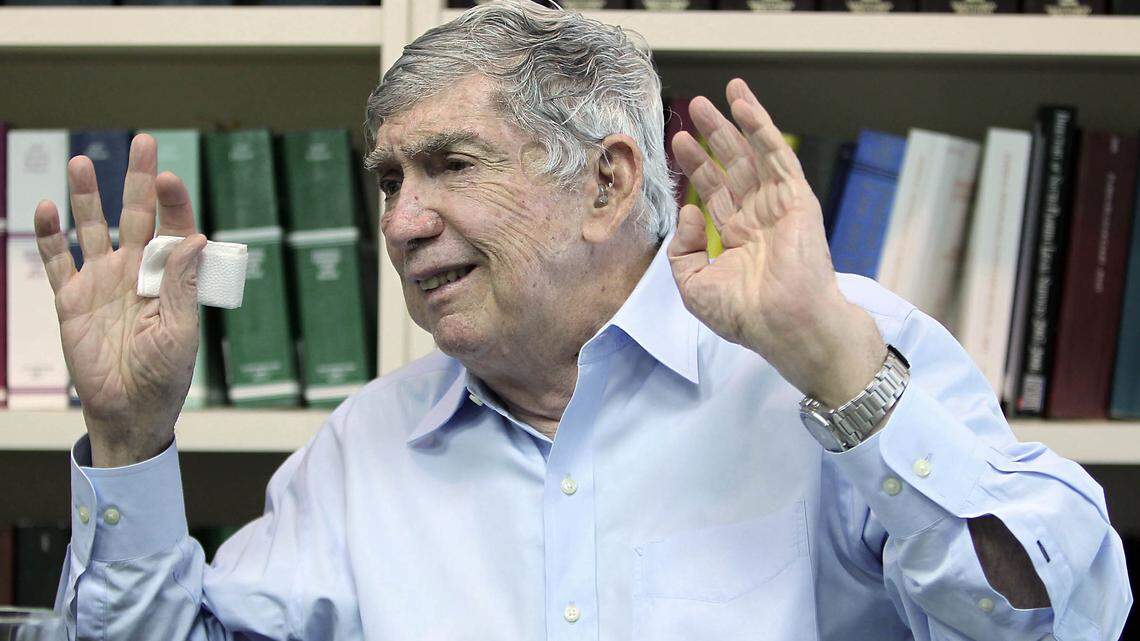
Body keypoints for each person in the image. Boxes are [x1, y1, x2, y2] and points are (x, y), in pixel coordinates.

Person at [32, 1, 1128, 639]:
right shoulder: (363, 449)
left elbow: (1061, 618)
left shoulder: (825, 348)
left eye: (451, 165)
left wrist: (836, 365)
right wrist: (129, 437)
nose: (405, 222)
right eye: (386, 181)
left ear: (608, 183)